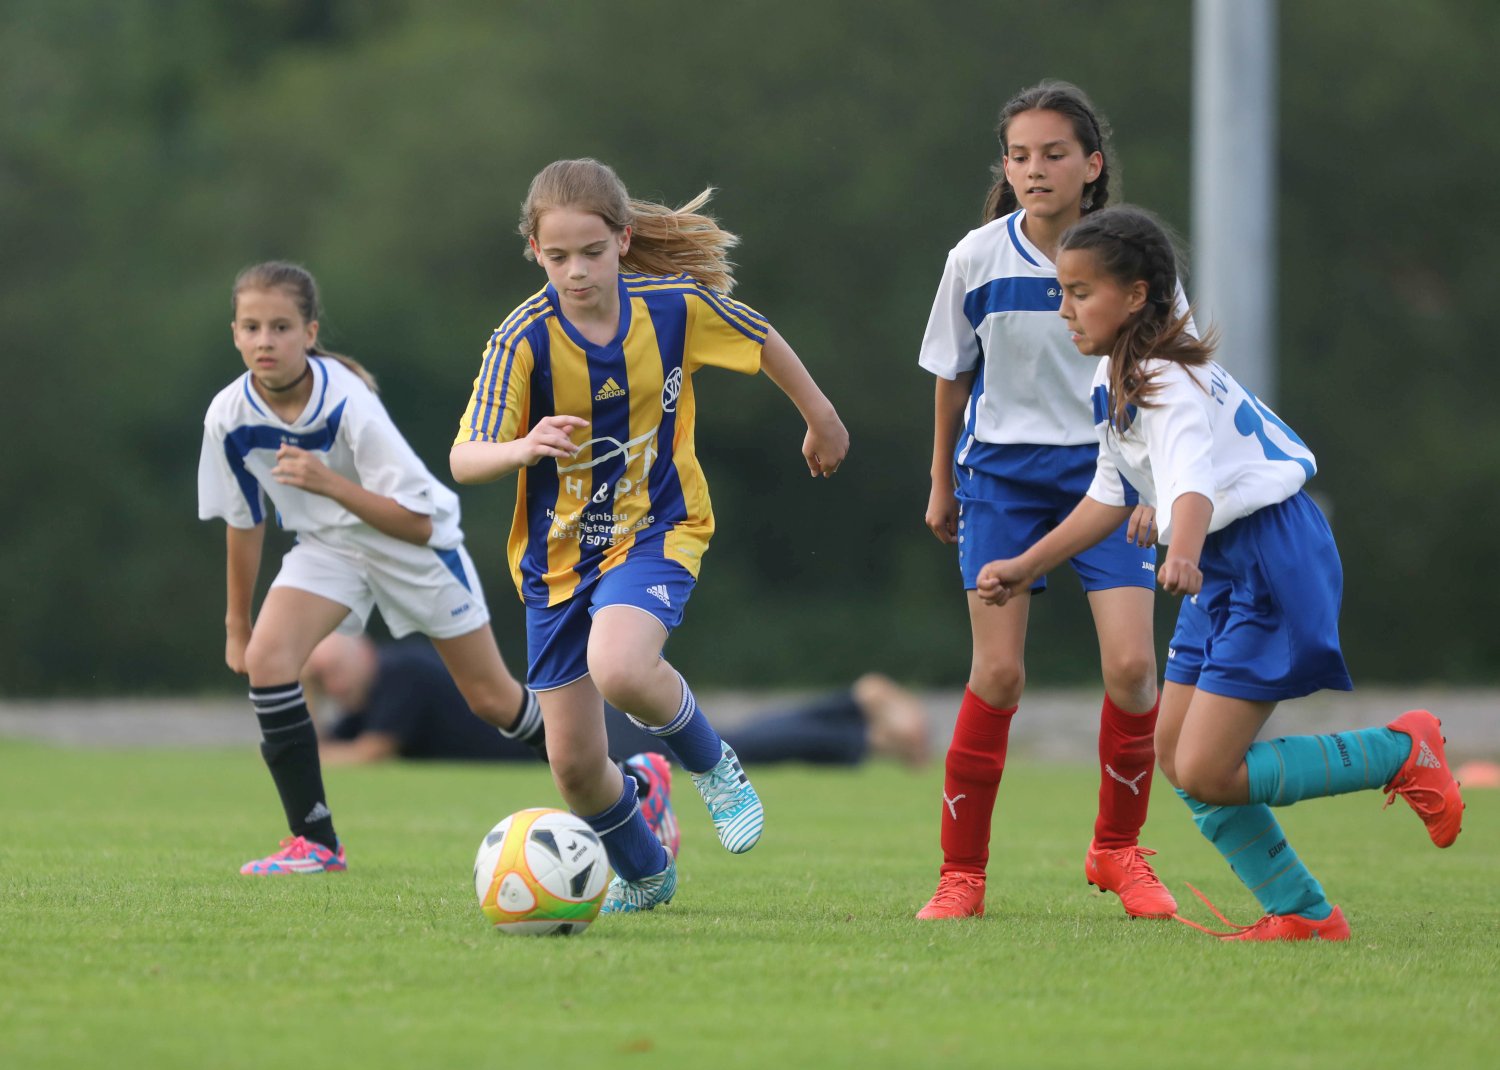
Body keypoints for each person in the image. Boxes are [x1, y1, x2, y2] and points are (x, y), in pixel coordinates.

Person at [976, 203, 1465, 940]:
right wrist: (1026, 565)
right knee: (1177, 756)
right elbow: (1110, 493)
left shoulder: (1164, 380)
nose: (1065, 309)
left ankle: (1401, 751)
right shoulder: (1115, 378)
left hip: (1268, 555)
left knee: (1207, 768)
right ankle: (1302, 913)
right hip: (1221, 560)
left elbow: (1194, 481)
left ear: (1135, 296)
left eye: (1080, 292)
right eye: (1061, 292)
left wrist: (1179, 550)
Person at [449, 159, 849, 914]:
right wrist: (522, 446)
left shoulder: (672, 307)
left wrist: (821, 417)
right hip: (555, 564)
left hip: (657, 527)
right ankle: (645, 870)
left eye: (592, 252)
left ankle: (712, 763)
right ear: (534, 251)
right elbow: (464, 457)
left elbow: (760, 337)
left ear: (624, 241)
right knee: (574, 766)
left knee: (622, 667)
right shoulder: (522, 338)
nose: (576, 271)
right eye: (557, 256)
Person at [197, 261, 579, 876]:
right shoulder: (228, 416)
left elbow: (418, 524)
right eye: (251, 327)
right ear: (235, 334)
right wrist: (235, 624)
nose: (265, 340)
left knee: (492, 699)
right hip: (329, 548)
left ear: (309, 333)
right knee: (268, 660)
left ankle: (624, 784)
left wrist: (328, 483)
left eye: (281, 327)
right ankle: (315, 843)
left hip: (413, 550)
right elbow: (244, 521)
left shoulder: (346, 399)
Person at [914, 81, 1172, 921]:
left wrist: (1161, 487)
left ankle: (1118, 850)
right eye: (1020, 156)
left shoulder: (1133, 259)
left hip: (1111, 477)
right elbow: (953, 377)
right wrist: (941, 480)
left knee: (1132, 668)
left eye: (1054, 154)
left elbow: (1172, 379)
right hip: (1002, 480)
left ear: (1091, 166)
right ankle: (961, 874)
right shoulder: (974, 258)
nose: (1034, 169)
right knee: (998, 672)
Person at [304, 632, 930, 769]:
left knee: (719, 751)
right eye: (321, 681)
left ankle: (860, 724)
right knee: (726, 739)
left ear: (361, 647)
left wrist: (313, 743)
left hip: (583, 730)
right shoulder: (368, 693)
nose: (333, 687)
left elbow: (370, 753)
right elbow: (330, 742)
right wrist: (309, 692)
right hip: (576, 730)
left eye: (329, 671)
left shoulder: (402, 674)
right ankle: (854, 710)